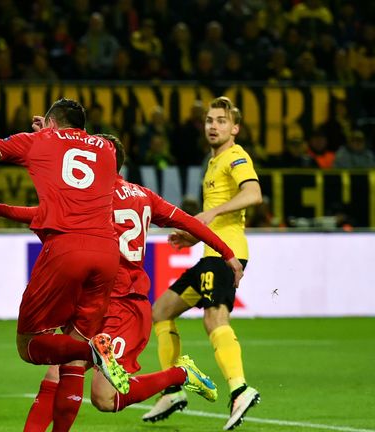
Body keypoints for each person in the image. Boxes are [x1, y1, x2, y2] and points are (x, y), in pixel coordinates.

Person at [0, 132, 244, 432]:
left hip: (122, 306)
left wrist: (2, 209)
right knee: (57, 372)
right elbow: (187, 220)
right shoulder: (144, 195)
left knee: (104, 397)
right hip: (94, 299)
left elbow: (44, 213)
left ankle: (180, 375)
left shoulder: (93, 199)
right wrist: (227, 252)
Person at [0, 99, 131, 432]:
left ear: (49, 123)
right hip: (107, 253)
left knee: (30, 345)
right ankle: (91, 354)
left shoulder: (36, 141)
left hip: (65, 248)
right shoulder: (106, 148)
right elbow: (72, 155)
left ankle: (93, 352)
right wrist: (48, 132)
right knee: (70, 363)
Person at [143, 96, 263, 431]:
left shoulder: (235, 156)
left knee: (214, 318)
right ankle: (171, 389)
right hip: (211, 252)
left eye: (221, 121)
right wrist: (195, 235)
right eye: (210, 120)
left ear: (235, 128)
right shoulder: (212, 163)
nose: (214, 125)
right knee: (161, 311)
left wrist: (209, 214)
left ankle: (239, 388)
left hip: (228, 253)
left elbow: (253, 193)